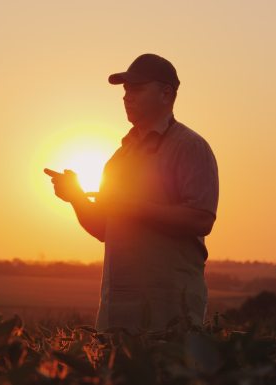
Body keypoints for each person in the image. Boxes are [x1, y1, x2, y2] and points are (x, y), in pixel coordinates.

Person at [46, 54, 219, 331]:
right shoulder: (119, 157)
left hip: (170, 307)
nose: (126, 97)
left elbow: (201, 220)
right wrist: (76, 197)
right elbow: (105, 229)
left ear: (166, 94)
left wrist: (132, 206)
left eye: (137, 88)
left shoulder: (190, 146)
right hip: (118, 307)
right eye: (125, 90)